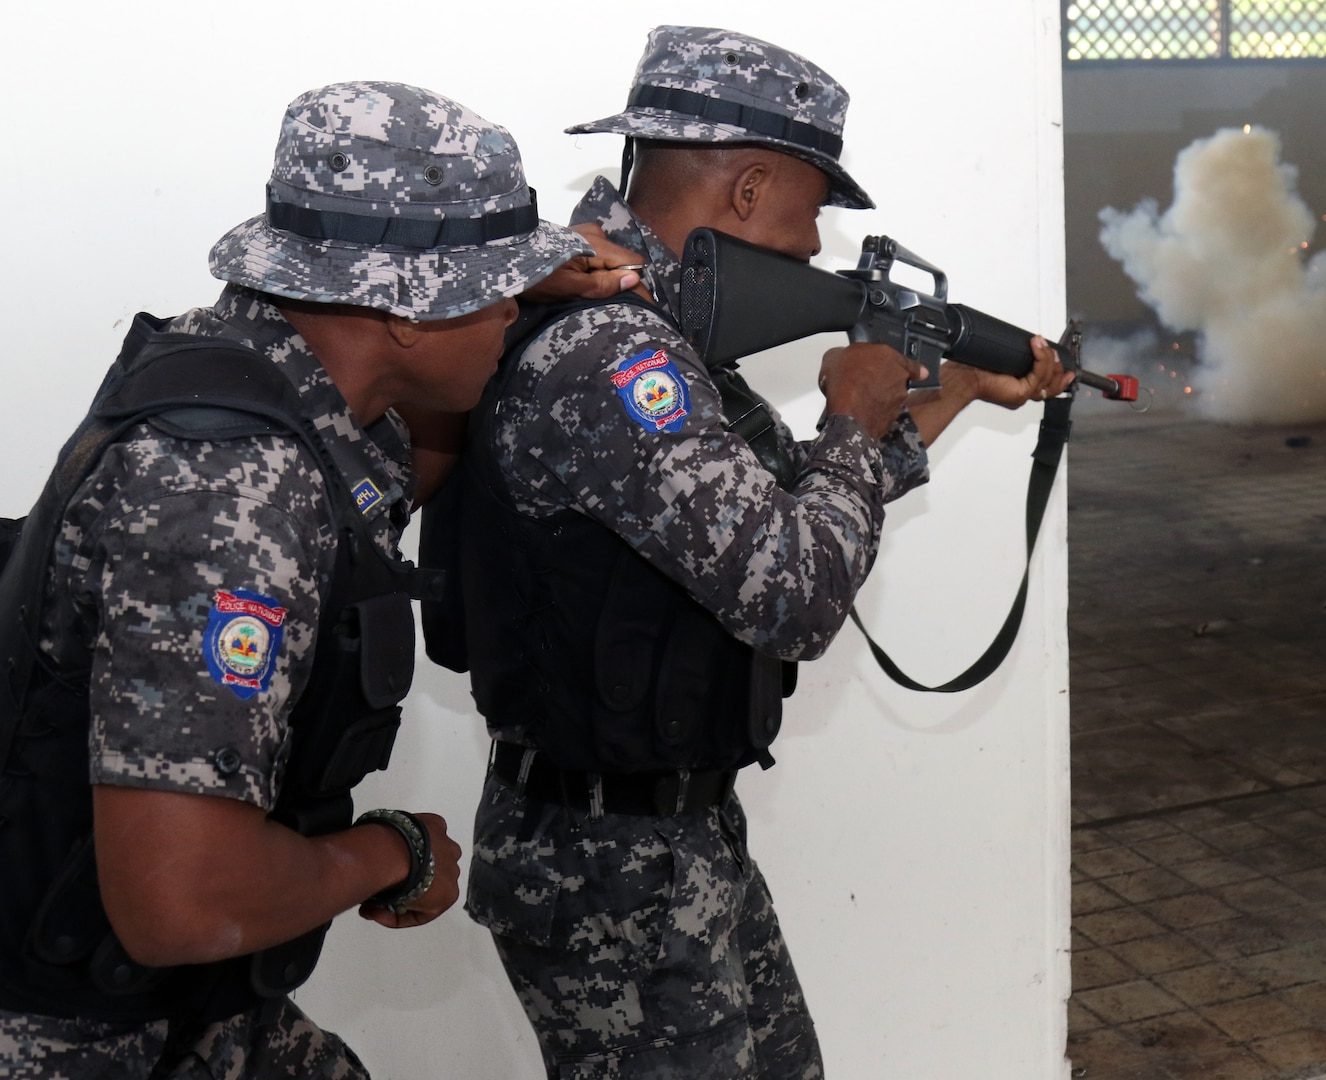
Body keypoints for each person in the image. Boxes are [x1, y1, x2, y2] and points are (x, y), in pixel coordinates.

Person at [448, 26, 1075, 1078]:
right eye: (815, 205)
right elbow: (793, 595)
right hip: (609, 867)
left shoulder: (652, 327)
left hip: (670, 841)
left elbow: (785, 502)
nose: (817, 243)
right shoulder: (616, 353)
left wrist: (957, 386)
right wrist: (855, 415)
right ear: (747, 188)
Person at [0, 80, 634, 1078]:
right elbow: (182, 897)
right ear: (407, 309)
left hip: (174, 1006)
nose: (515, 308)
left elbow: (386, 485)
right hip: (70, 1040)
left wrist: (514, 287)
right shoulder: (229, 486)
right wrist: (389, 854)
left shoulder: (257, 362)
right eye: (496, 285)